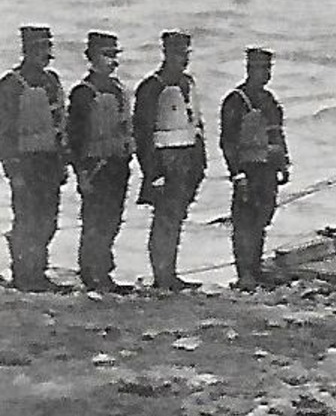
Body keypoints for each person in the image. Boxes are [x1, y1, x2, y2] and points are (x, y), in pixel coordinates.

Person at [134, 31, 207, 292]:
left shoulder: (189, 83)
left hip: (187, 160)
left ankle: (171, 273)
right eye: (177, 54)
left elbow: (197, 125)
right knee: (164, 218)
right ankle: (162, 276)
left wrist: (201, 162)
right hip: (164, 160)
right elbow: (142, 134)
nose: (182, 60)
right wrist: (152, 172)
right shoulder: (152, 86)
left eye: (186, 54)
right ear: (166, 53)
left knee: (177, 217)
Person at [0, 26, 70, 292]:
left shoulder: (52, 81)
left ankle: (37, 271)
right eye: (40, 49)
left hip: (49, 162)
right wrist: (12, 169)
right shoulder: (11, 84)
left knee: (48, 220)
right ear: (27, 50)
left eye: (48, 49)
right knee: (26, 219)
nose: (46, 55)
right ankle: (24, 274)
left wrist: (63, 161)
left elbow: (61, 123)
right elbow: (4, 131)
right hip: (25, 163)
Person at [66, 31, 133, 293]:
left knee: (113, 220)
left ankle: (104, 272)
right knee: (94, 220)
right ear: (91, 57)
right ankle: (90, 273)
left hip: (118, 165)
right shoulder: (83, 93)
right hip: (95, 166)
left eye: (114, 56)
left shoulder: (118, 89)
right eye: (107, 55)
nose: (112, 61)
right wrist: (81, 172)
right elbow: (75, 137)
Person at [219, 48, 290, 290]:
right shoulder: (236, 100)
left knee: (263, 217)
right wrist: (237, 174)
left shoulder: (269, 99)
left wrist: (284, 163)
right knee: (244, 220)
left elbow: (277, 133)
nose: (265, 74)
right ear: (249, 69)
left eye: (268, 69)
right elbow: (227, 141)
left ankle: (256, 267)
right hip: (248, 168)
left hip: (268, 168)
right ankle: (244, 273)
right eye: (260, 68)